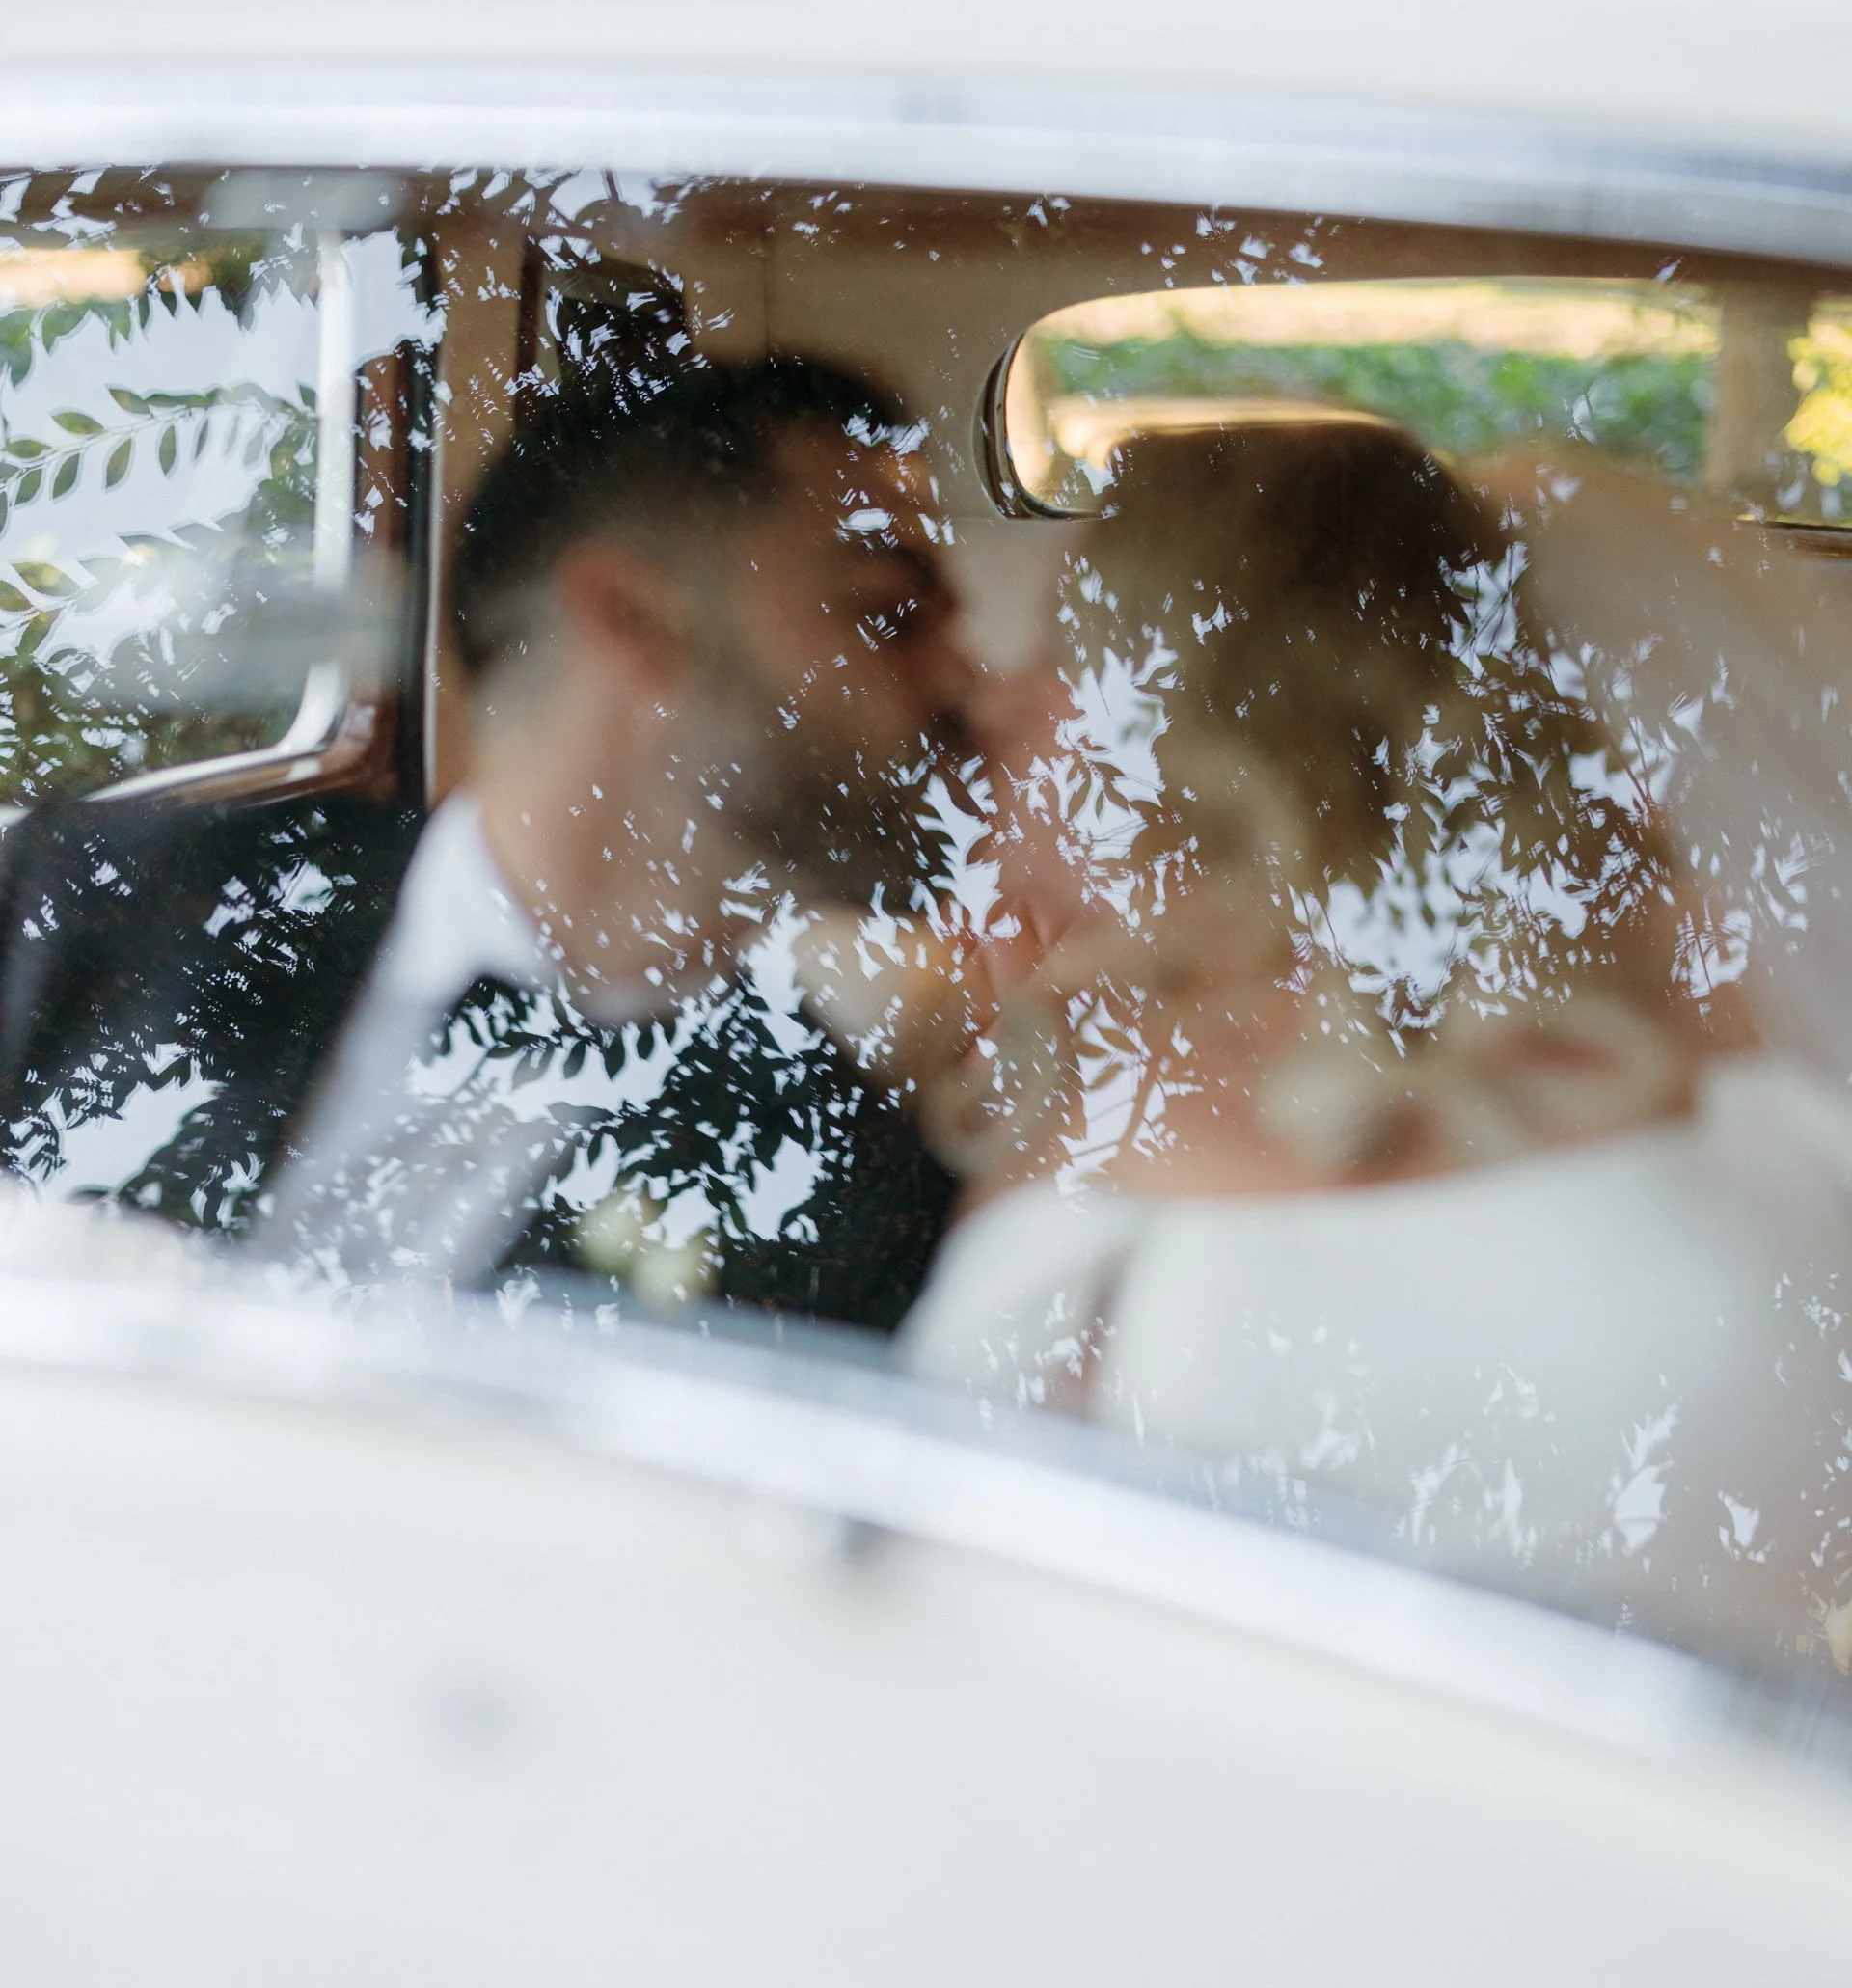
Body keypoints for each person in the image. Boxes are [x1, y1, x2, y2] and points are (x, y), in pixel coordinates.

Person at [882, 421, 1852, 1662]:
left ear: (1199, 713)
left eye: (1069, 649)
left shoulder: (1113, 1104)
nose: (1006, 698)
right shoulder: (1719, 1013)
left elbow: (940, 1592)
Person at [0, 357, 975, 1331]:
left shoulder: (851, 1185)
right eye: (886, 615)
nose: (968, 685)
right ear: (633, 618)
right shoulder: (93, 901)